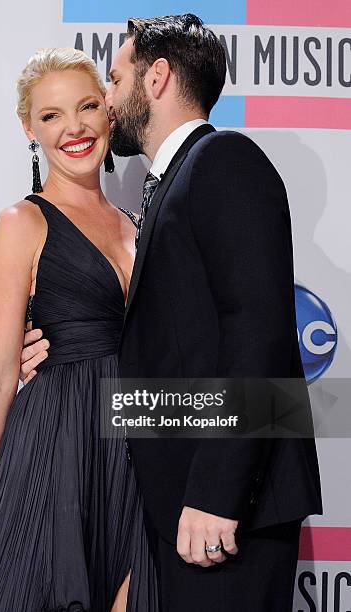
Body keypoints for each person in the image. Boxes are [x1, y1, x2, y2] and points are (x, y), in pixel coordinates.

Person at [21, 14, 323, 611]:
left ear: (156, 78)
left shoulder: (223, 161)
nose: (107, 101)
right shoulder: (175, 184)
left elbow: (257, 333)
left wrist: (217, 492)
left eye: (115, 78)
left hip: (224, 510)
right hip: (180, 507)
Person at [0, 47, 159, 612]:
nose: (75, 128)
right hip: (54, 453)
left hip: (137, 456)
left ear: (110, 111)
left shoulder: (140, 225)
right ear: (28, 128)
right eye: (52, 116)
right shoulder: (21, 224)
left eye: (87, 106)